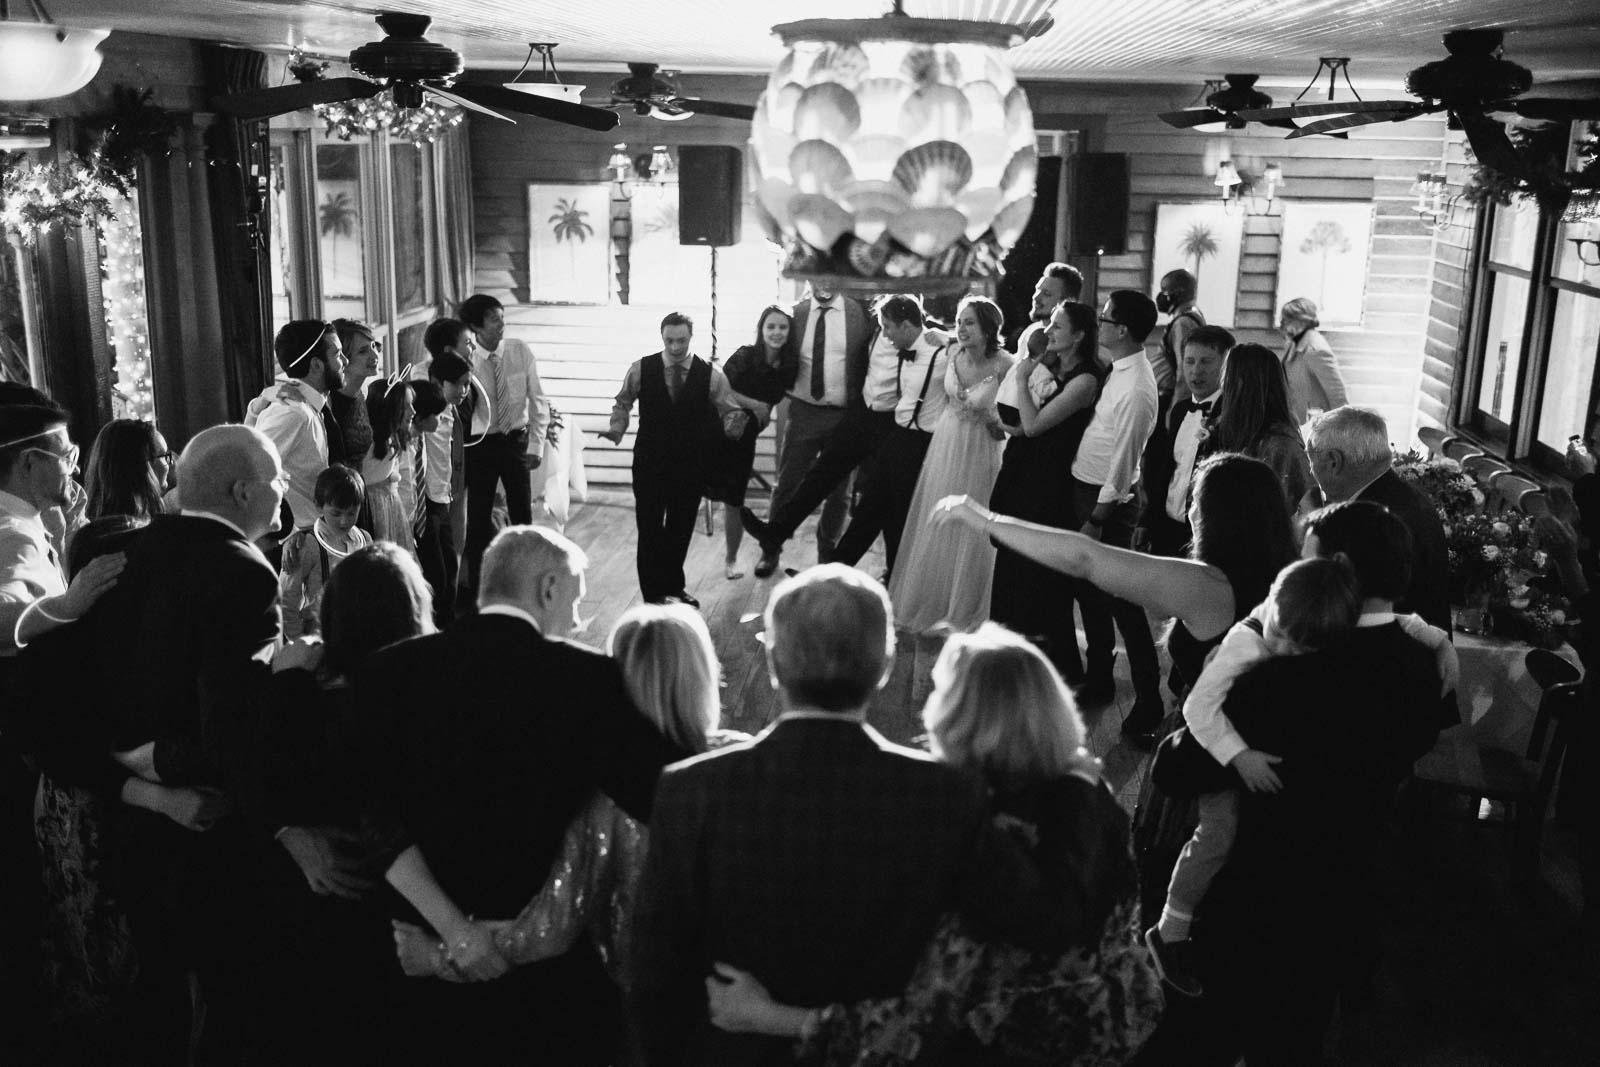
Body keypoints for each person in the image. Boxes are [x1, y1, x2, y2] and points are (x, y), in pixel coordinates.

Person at [630, 564, 1103, 1066]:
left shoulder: (690, 791)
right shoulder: (945, 796)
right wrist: (1077, 790)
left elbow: (656, 976)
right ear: (885, 664)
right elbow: (1048, 921)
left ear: (772, 662)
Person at [703, 624, 1162, 1065]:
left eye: (939, 691)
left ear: (963, 716)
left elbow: (916, 1028)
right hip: (1118, 1021)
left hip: (1022, 1047)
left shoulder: (985, 839)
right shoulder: (1086, 794)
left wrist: (765, 1016)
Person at [355, 525, 685, 1065]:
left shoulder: (386, 672)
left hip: (416, 956)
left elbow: (375, 819)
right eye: (575, 600)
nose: (577, 620)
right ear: (549, 588)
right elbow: (661, 797)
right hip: (542, 980)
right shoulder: (589, 681)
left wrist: (454, 933)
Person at [1138, 500, 1451, 1064]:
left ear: (1340, 568)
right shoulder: (1425, 665)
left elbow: (1174, 770)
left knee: (1215, 1035)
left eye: (1306, 559)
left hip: (1254, 893)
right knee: (1297, 1036)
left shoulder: (1281, 670)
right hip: (1348, 884)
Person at [392, 603, 751, 1066]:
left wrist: (441, 954)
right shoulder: (746, 760)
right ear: (703, 672)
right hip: (748, 1000)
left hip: (649, 1015)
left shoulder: (606, 797)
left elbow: (552, 925)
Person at [65, 424, 288, 1061]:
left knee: (156, 993)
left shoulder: (120, 551)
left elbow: (82, 692)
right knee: (232, 1001)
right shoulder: (245, 574)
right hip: (207, 829)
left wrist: (129, 763)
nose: (280, 496)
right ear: (244, 491)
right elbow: (231, 730)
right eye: (274, 483)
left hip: (127, 823)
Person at [936, 452, 1296, 744]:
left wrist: (985, 520)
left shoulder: (1209, 587)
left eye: (1194, 500)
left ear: (1218, 517)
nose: (1190, 510)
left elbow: (1085, 558)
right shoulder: (1288, 574)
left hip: (1218, 747)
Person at [1143, 556, 1363, 998]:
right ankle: (1168, 933)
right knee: (1217, 837)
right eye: (1280, 636)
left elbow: (1399, 617)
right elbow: (1196, 709)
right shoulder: (1245, 644)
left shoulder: (1296, 613)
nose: (1281, 650)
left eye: (1298, 649)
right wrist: (1240, 757)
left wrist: (1434, 638)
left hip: (1237, 739)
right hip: (1215, 750)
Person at [0, 401, 123, 1041]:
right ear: (29, 462)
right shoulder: (10, 531)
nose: (75, 463)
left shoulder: (28, 519)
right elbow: (6, 620)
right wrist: (69, 603)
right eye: (67, 452)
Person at [741, 295, 951, 580]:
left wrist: (946, 335)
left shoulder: (931, 340)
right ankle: (775, 533)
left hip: (891, 425)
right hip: (861, 413)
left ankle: (889, 569)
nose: (886, 330)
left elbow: (946, 339)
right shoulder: (874, 324)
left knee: (880, 501)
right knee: (821, 473)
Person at [989, 301, 1103, 679]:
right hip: (1022, 471)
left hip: (1048, 484)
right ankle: (1008, 658)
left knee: (1039, 578)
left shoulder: (1086, 378)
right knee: (1010, 567)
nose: (1049, 331)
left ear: (1079, 335)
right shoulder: (1054, 364)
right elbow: (1026, 423)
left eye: (1057, 326)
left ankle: (1052, 669)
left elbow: (1037, 425)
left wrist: (1021, 379)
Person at [888, 296, 1014, 632]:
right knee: (940, 516)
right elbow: (938, 337)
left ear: (989, 327)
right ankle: (935, 600)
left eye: (969, 322)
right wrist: (945, 335)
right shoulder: (952, 352)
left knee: (974, 522)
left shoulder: (1005, 364)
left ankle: (967, 605)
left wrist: (993, 419)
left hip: (982, 448)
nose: (961, 328)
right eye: (959, 321)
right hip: (947, 443)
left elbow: (1016, 415)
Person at [600, 312, 742, 606]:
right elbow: (622, 401)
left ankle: (674, 586)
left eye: (682, 340)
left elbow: (730, 409)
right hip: (650, 461)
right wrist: (617, 428)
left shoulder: (711, 374)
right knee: (649, 527)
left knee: (680, 527)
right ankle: (652, 594)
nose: (676, 347)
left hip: (690, 464)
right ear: (661, 337)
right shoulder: (641, 368)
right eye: (669, 340)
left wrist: (733, 428)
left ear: (691, 337)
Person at [1068, 289, 1163, 726]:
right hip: (1086, 491)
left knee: (1123, 603)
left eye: (1105, 318)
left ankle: (1148, 700)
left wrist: (1095, 521)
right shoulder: (1119, 370)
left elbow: (1123, 467)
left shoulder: (1138, 387)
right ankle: (1099, 677)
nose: (1099, 324)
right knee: (1090, 596)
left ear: (1121, 329)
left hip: (1108, 506)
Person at [1305, 405, 1451, 632]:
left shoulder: (1374, 523)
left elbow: (1360, 612)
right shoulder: (1401, 495)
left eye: (1310, 459)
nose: (1310, 472)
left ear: (1334, 462)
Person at [762, 284, 874, 576]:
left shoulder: (857, 312)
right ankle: (771, 548)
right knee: (788, 483)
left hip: (845, 415)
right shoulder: (795, 314)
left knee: (840, 492)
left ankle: (827, 557)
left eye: (829, 276)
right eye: (816, 277)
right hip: (803, 412)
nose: (823, 282)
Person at [457, 293, 550, 601]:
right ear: (475, 326)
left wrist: (536, 444)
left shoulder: (519, 351)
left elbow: (538, 400)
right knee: (479, 518)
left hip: (516, 441)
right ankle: (479, 590)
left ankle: (527, 582)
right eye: (494, 320)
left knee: (522, 512)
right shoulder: (465, 360)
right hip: (481, 445)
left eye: (502, 318)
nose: (502, 325)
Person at [714, 306, 795, 579]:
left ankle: (731, 560)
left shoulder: (787, 366)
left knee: (734, 497)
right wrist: (755, 404)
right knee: (710, 491)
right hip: (720, 427)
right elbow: (719, 387)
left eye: (782, 327)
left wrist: (760, 412)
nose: (776, 332)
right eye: (770, 326)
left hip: (745, 435)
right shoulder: (746, 354)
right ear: (761, 330)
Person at [1139, 324, 1233, 558]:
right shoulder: (1180, 410)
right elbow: (1167, 469)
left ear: (1225, 365)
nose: (1196, 371)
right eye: (1189, 362)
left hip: (1205, 534)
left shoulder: (1231, 415)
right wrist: (1148, 520)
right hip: (1168, 526)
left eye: (1206, 362)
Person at [249, 319, 349, 531]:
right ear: (316, 365)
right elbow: (251, 472)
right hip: (300, 539)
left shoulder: (313, 407)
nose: (346, 361)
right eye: (338, 354)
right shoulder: (291, 412)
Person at [1204, 341, 1313, 515]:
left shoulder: (1281, 446)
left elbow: (1304, 512)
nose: (1223, 387)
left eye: (1227, 378)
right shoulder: (1238, 433)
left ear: (1241, 385)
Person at [412, 345, 472, 627]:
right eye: (458, 384)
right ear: (437, 382)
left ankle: (448, 628)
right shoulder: (423, 410)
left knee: (450, 568)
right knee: (436, 575)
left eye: (467, 384)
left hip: (443, 498)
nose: (463, 390)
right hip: (425, 503)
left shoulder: (451, 412)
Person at [278, 464, 372, 640]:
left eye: (351, 513)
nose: (344, 521)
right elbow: (286, 600)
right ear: (319, 506)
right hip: (321, 635)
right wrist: (299, 642)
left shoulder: (364, 540)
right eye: (336, 513)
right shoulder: (307, 545)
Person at [997, 262, 1084, 426]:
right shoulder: (1032, 330)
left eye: (1046, 293)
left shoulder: (1067, 346)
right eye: (1037, 290)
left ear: (1067, 301)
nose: (1036, 297)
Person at [363, 376, 420, 551]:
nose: (413, 411)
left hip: (390, 503)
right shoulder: (370, 442)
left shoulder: (393, 437)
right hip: (373, 507)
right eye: (406, 406)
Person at [1279, 296, 1348, 426]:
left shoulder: (1315, 349)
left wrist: (1342, 430)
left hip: (1314, 426)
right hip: (1296, 422)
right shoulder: (1294, 344)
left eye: (1286, 320)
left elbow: (1337, 395)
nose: (1282, 324)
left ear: (1301, 321)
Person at [330, 318, 380, 463]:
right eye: (363, 351)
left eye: (373, 346)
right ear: (344, 359)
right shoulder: (331, 404)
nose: (375, 355)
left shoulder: (360, 392)